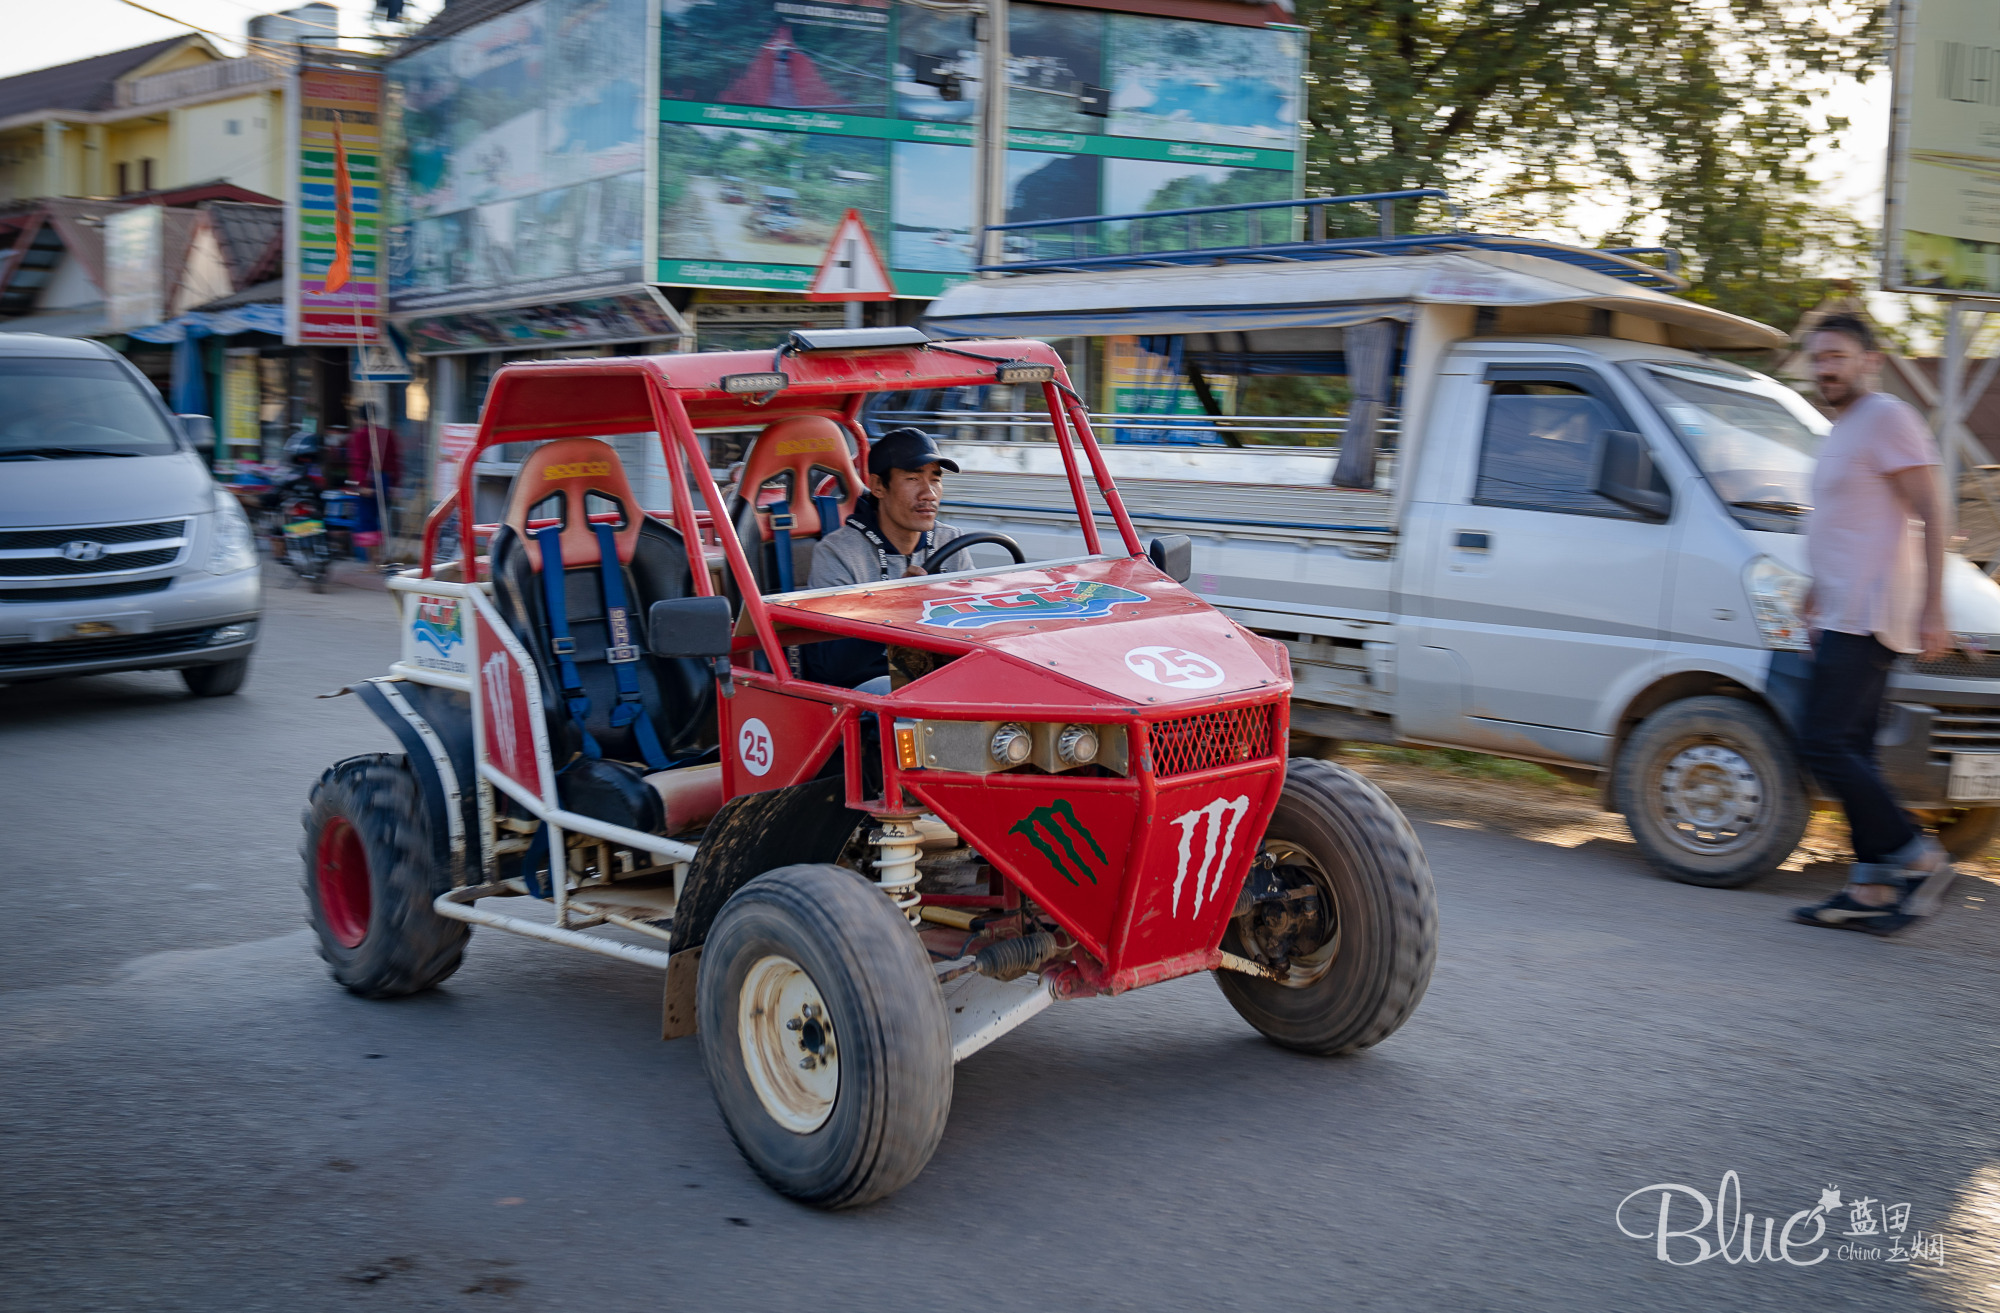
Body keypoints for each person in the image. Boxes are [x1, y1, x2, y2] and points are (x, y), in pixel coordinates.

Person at [1792, 313, 1955, 935]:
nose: (1825, 368)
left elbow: (1932, 509)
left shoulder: (1887, 416)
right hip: (1841, 609)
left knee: (1823, 743)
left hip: (1869, 614)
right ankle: (1871, 889)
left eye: (1837, 356)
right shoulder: (1845, 427)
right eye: (1818, 358)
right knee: (1851, 749)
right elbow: (1851, 520)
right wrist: (1816, 587)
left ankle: (1916, 854)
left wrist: (1934, 605)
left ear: (1871, 361)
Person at [800, 426, 970, 690]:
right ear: (878, 486)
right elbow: (829, 666)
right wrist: (894, 608)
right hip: (865, 690)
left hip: (939, 674)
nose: (929, 493)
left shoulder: (952, 541)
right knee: (906, 690)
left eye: (935, 479)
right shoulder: (837, 552)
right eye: (913, 478)